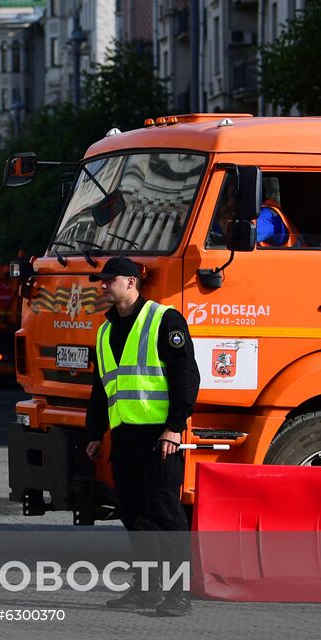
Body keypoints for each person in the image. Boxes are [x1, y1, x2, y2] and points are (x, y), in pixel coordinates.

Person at [83, 256, 200, 618]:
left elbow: (186, 376)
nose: (102, 286)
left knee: (166, 515)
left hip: (159, 437)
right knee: (135, 516)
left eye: (109, 280)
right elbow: (102, 389)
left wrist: (174, 427)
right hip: (125, 437)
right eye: (100, 281)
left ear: (131, 282)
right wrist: (95, 433)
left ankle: (180, 594)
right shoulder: (105, 330)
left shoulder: (163, 320)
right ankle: (147, 590)